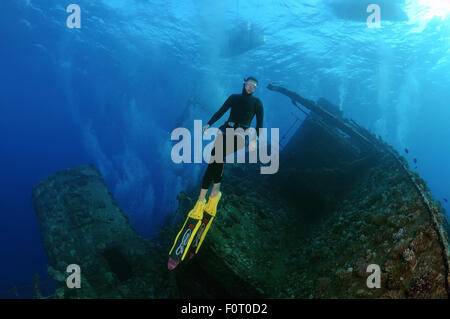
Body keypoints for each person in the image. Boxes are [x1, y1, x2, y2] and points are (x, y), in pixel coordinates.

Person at [168, 77, 264, 268]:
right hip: (224, 131)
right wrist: (209, 124)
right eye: (249, 85)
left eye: (254, 86)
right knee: (214, 159)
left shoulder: (257, 103)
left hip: (240, 136)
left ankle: (205, 198)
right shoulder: (234, 97)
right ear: (244, 84)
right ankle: (210, 196)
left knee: (217, 158)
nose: (251, 88)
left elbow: (260, 124)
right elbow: (221, 111)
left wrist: (255, 140)